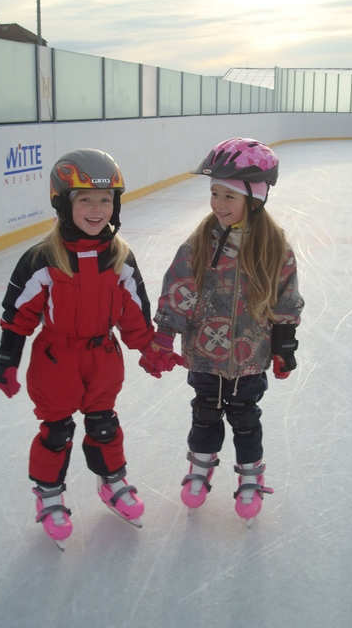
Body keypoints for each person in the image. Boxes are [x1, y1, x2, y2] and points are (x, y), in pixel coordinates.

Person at [0, 149, 182, 544]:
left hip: (102, 358)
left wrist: (150, 347)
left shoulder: (120, 258)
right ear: (63, 203)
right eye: (85, 200)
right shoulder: (43, 259)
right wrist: (6, 359)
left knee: (104, 424)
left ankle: (112, 482)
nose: (97, 209)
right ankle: (48, 494)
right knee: (56, 431)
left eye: (105, 200)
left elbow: (134, 312)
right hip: (56, 359)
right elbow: (18, 314)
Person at [143, 138, 304, 523]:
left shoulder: (273, 246)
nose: (218, 204)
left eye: (229, 196)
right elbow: (179, 287)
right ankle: (200, 467)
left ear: (255, 198)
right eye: (215, 193)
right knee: (205, 414)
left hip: (250, 357)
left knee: (246, 418)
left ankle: (251, 476)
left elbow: (286, 299)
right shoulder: (200, 241)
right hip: (204, 354)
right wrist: (165, 335)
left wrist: (285, 346)